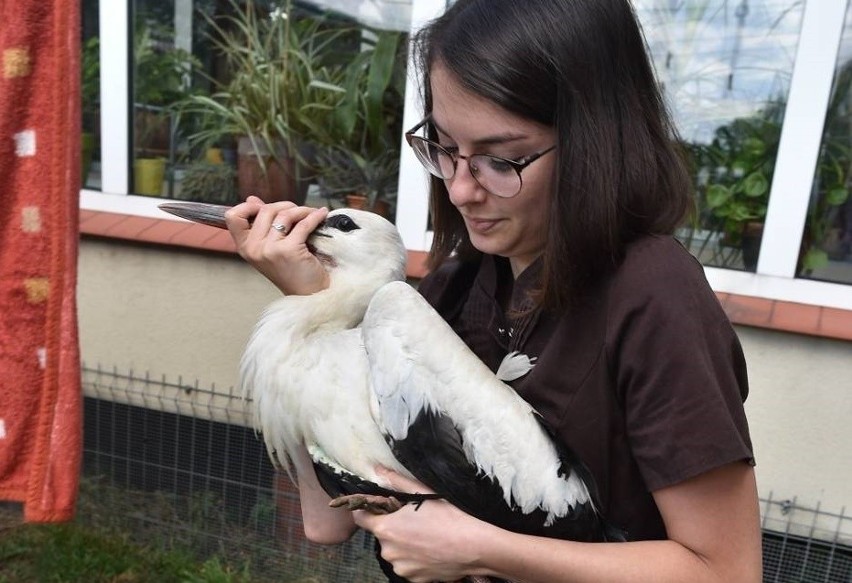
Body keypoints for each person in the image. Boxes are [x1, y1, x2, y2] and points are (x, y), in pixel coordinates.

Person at [224, 0, 763, 581]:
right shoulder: (460, 283)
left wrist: (479, 549)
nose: (459, 191)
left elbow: (727, 572)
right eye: (445, 147)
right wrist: (315, 305)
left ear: (594, 142)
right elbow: (325, 523)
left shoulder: (654, 296)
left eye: (500, 160)